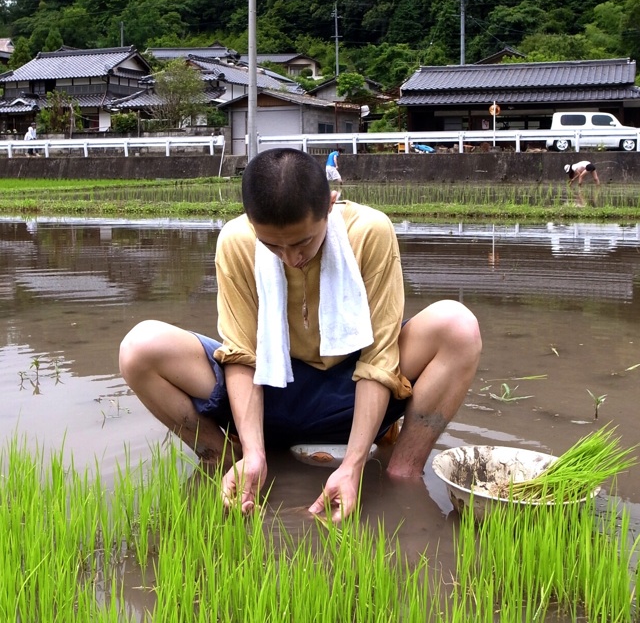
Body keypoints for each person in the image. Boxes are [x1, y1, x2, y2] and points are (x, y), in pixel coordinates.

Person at [119, 148, 482, 523]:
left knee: (457, 326)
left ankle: (403, 473)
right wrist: (255, 452)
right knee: (140, 347)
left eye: (302, 243)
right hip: (272, 386)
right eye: (272, 246)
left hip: (351, 389)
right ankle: (227, 459)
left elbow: (378, 358)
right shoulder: (236, 240)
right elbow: (242, 354)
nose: (290, 258)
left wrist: (354, 465)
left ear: (330, 204)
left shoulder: (370, 231)